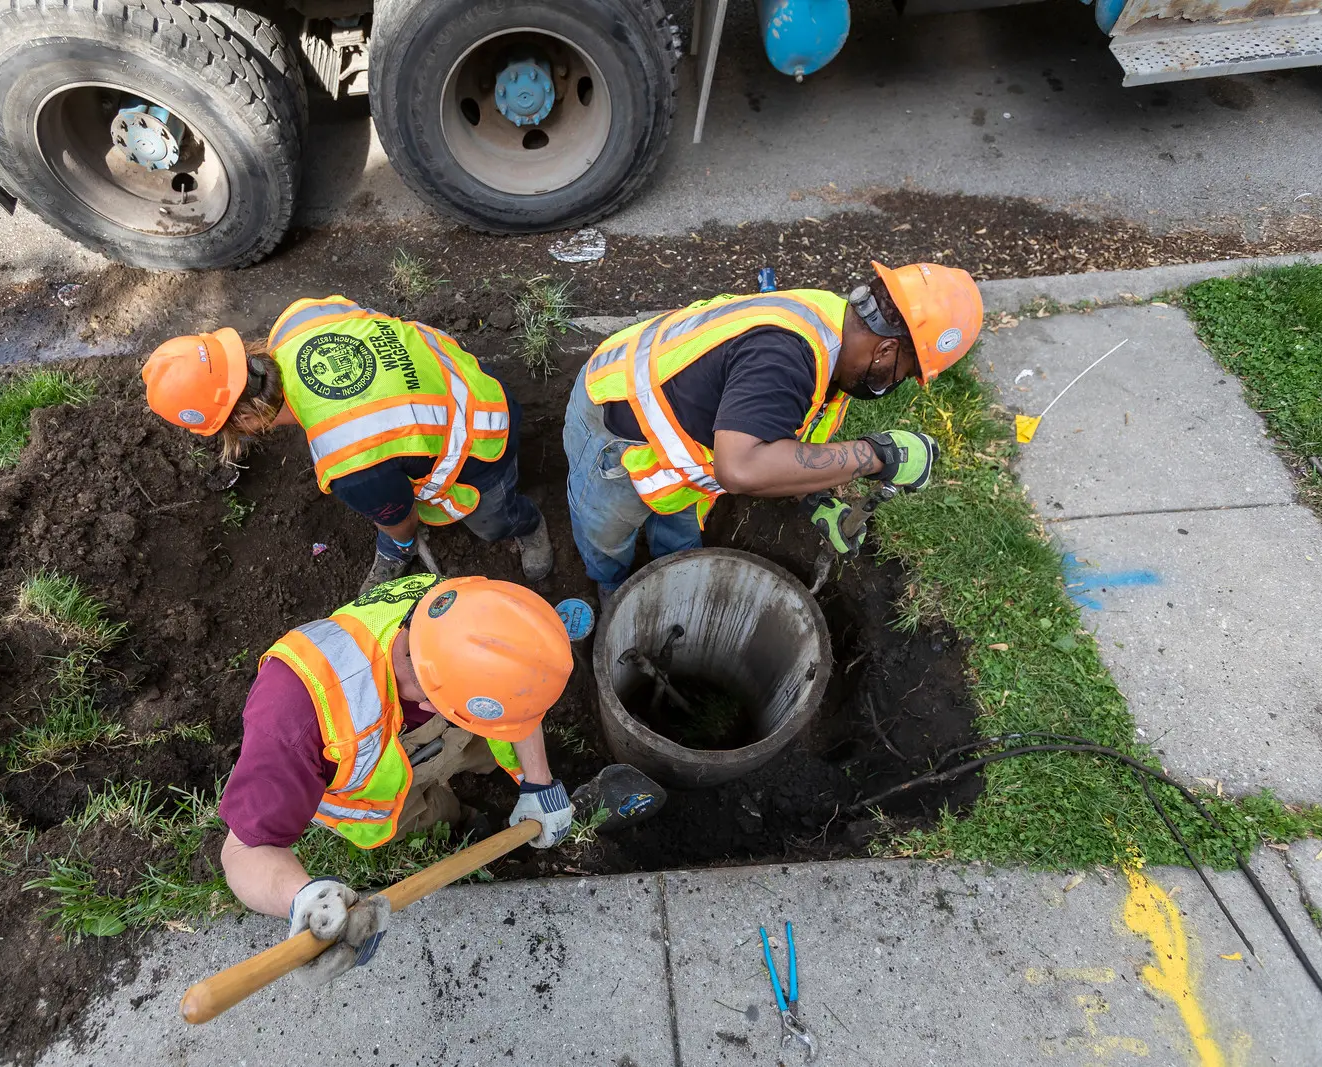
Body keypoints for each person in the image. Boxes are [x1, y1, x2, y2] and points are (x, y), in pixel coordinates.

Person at [217, 572, 575, 981]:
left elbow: (518, 695)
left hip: (441, 731)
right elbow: (243, 852)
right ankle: (452, 816)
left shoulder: (460, 609)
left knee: (477, 752)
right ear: (433, 699)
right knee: (427, 813)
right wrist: (306, 900)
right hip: (376, 789)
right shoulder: (296, 713)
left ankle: (468, 767)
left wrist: (539, 783)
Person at [564, 261, 983, 598]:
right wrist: (876, 456)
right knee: (607, 536)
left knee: (679, 532)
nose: (893, 384)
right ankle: (614, 589)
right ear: (886, 349)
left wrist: (815, 497)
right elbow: (741, 469)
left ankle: (673, 579)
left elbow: (781, 435)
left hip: (684, 451)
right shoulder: (784, 356)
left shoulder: (835, 337)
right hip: (616, 428)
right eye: (902, 374)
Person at [142, 297, 553, 594]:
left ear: (246, 420)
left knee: (492, 521)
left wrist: (401, 540)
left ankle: (530, 525)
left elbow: (401, 516)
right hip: (461, 374)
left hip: (484, 438)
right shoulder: (300, 318)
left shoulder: (350, 461)